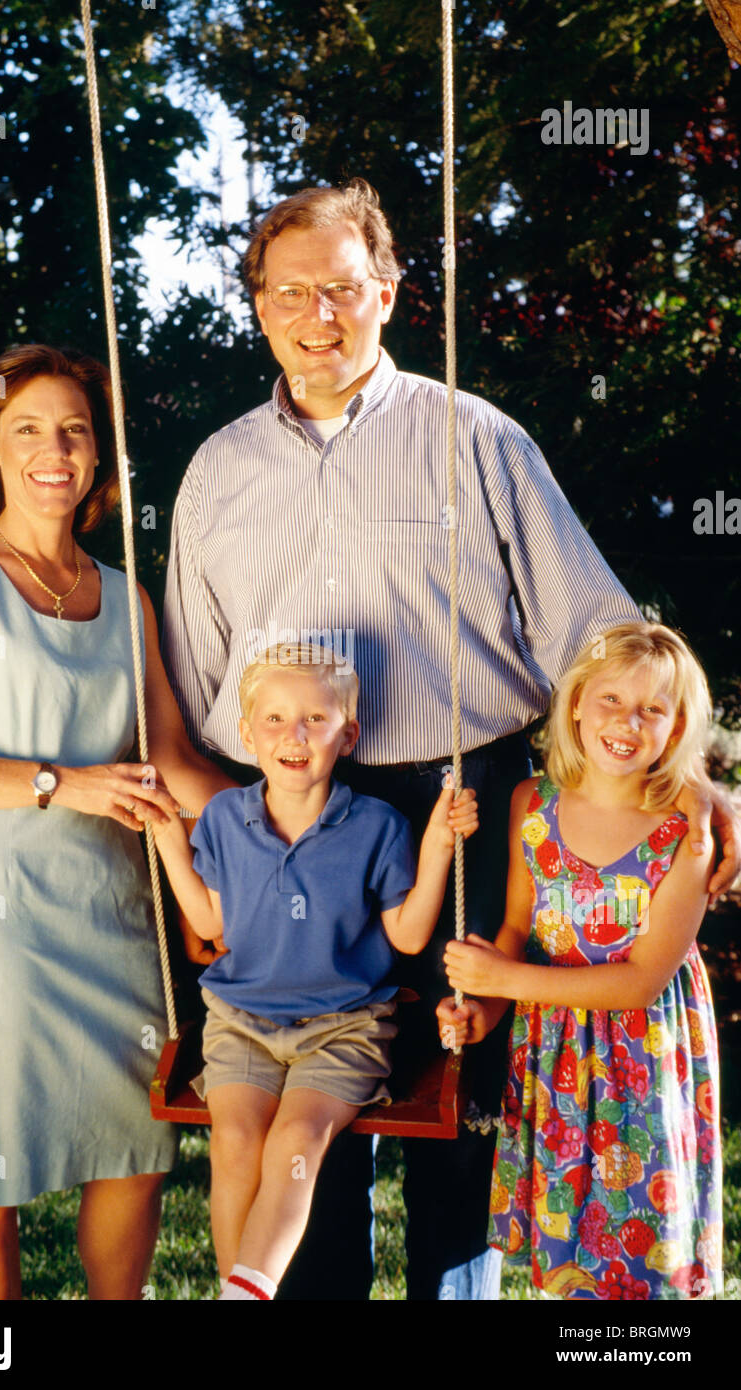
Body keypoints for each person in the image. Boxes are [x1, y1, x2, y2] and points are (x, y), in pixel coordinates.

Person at [161, 178, 739, 1300]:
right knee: (304, 1100)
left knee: (463, 1086)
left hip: (461, 801)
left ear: (386, 291)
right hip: (292, 818)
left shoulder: (471, 437)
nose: (316, 315)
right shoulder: (214, 474)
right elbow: (198, 683)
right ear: (258, 306)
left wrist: (703, 780)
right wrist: (209, 861)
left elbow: (598, 632)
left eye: (341, 288)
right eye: (291, 293)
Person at [0, 344, 233, 1300]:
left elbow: (178, 761)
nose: (53, 449)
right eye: (27, 429)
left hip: (116, 922)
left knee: (137, 1150)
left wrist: (294, 818)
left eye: (74, 430)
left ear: (97, 457)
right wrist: (59, 783)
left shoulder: (126, 600)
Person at [150, 643, 478, 1299]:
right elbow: (212, 925)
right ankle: (235, 1288)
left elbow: (408, 933)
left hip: (343, 1029)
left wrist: (438, 843)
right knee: (236, 1142)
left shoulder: (376, 826)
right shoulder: (222, 819)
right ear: (246, 735)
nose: (292, 736)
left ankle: (247, 1289)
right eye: (272, 719)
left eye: (314, 720)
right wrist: (164, 836)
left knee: (296, 1141)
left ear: (346, 734)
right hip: (241, 1023)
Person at [439, 622, 722, 1299]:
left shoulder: (685, 834)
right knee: (569, 1253)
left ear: (676, 724)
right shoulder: (530, 805)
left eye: (652, 709)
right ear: (573, 704)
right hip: (553, 1058)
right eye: (611, 700)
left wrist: (503, 979)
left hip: (641, 1061)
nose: (627, 723)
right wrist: (482, 1009)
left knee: (640, 1243)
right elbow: (513, 926)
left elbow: (638, 983)